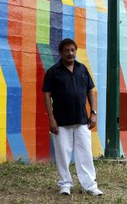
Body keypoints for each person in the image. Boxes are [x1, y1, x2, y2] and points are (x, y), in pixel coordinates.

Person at [42, 38, 103, 196]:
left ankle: (90, 185)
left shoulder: (82, 69)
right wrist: (51, 118)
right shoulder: (53, 72)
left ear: (76, 51)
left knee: (85, 153)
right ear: (60, 53)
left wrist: (93, 113)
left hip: (82, 121)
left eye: (72, 50)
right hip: (61, 122)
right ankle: (65, 184)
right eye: (67, 50)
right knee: (63, 154)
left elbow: (90, 91)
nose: (70, 53)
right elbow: (47, 95)